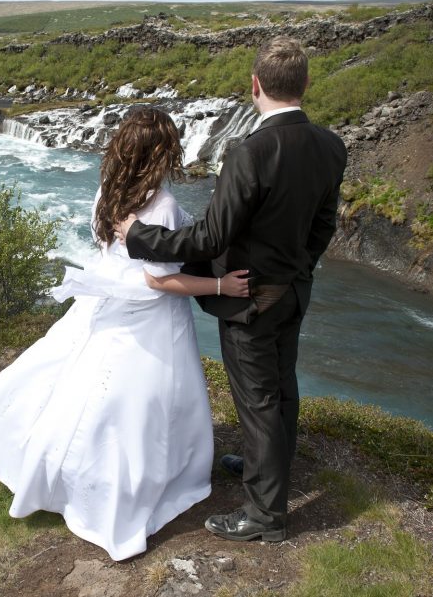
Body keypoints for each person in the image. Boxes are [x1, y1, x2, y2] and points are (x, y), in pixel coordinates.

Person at [0, 107, 247, 561]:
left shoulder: (107, 192)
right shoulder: (163, 206)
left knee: (80, 388)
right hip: (150, 315)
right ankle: (121, 491)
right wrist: (221, 285)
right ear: (163, 153)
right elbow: (159, 280)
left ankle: (60, 473)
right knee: (140, 406)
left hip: (105, 301)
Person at [117, 37, 347, 543]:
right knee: (283, 389)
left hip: (248, 300)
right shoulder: (331, 145)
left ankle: (265, 517)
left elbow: (211, 237)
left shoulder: (250, 152)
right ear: (305, 85)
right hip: (293, 291)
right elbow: (323, 225)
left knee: (259, 400)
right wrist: (297, 271)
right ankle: (269, 468)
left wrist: (139, 236)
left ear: (255, 84)